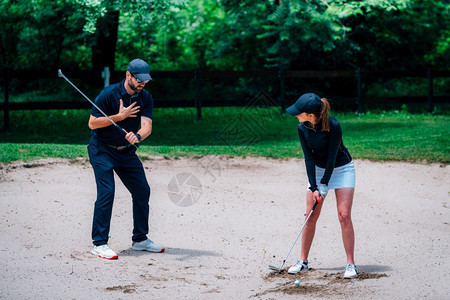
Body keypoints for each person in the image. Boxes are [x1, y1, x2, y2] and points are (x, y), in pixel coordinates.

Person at [87, 58, 164, 259]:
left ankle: (140, 239)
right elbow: (93, 123)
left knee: (142, 190)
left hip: (126, 151)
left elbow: (147, 126)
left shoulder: (145, 97)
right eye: (139, 80)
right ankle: (99, 243)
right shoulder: (108, 94)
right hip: (102, 149)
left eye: (145, 81)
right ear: (128, 75)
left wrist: (137, 136)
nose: (142, 84)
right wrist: (119, 117)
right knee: (107, 192)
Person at [286, 92, 357, 279]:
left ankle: (350, 264)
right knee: (310, 215)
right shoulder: (302, 128)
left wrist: (324, 184)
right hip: (317, 170)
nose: (296, 115)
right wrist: (314, 187)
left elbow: (332, 157)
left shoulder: (333, 125)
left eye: (299, 112)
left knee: (344, 215)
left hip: (342, 169)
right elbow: (308, 158)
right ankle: (303, 261)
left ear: (310, 114)